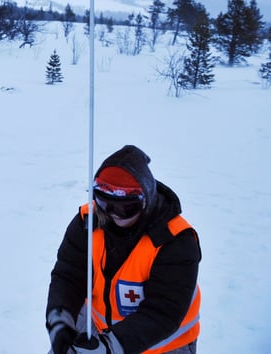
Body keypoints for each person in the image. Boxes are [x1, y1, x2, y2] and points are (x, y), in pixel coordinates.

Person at [46, 145, 201, 354]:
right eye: (105, 204)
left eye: (126, 208)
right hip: (99, 330)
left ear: (145, 201)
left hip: (164, 345)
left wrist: (110, 346)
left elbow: (163, 311)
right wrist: (60, 321)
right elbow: (68, 276)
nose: (114, 215)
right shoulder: (88, 224)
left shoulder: (175, 240)